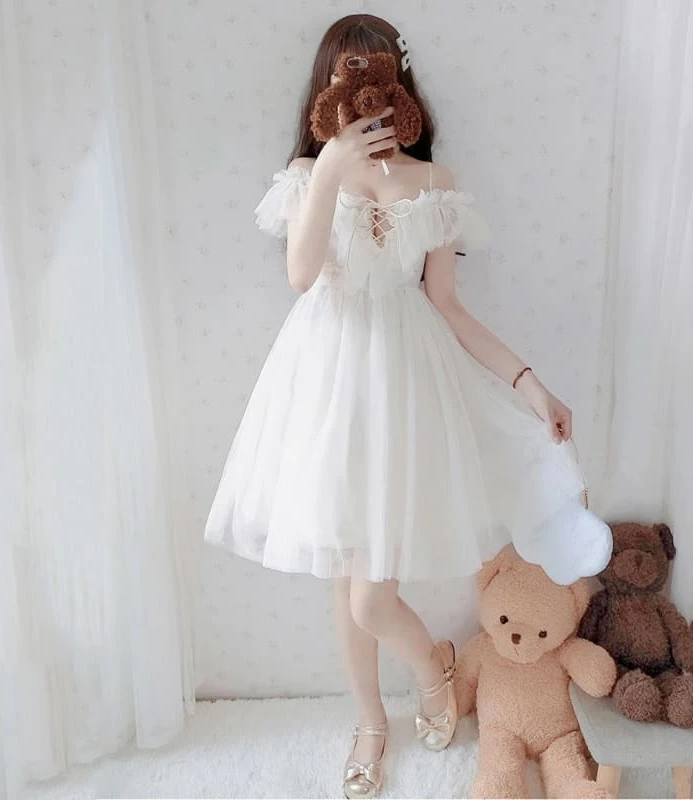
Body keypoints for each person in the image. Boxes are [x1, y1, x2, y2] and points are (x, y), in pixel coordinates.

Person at [204, 13, 612, 799]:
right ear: (329, 86)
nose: (363, 91)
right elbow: (300, 276)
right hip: (325, 390)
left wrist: (529, 382)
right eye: (346, 75)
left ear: (400, 83)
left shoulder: (433, 182)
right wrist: (330, 167)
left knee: (369, 594)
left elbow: (448, 306)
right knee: (346, 579)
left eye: (376, 73)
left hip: (405, 393)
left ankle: (431, 668)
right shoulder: (307, 174)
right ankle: (370, 718)